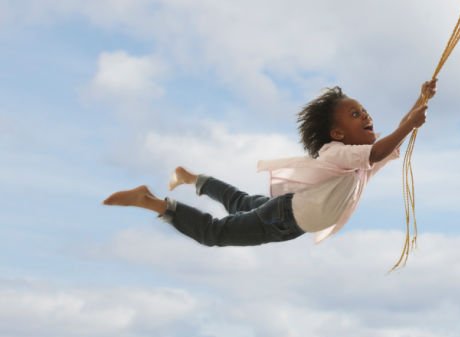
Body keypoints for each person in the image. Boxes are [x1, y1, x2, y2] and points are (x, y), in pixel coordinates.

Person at [102, 79, 436, 247]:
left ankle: (193, 178)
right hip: (285, 219)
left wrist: (418, 104)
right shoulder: (337, 152)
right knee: (215, 233)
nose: (366, 115)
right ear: (336, 133)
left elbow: (384, 147)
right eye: (355, 114)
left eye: (363, 111)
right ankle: (155, 202)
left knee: (241, 203)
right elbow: (380, 148)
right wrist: (410, 123)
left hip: (288, 215)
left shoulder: (360, 163)